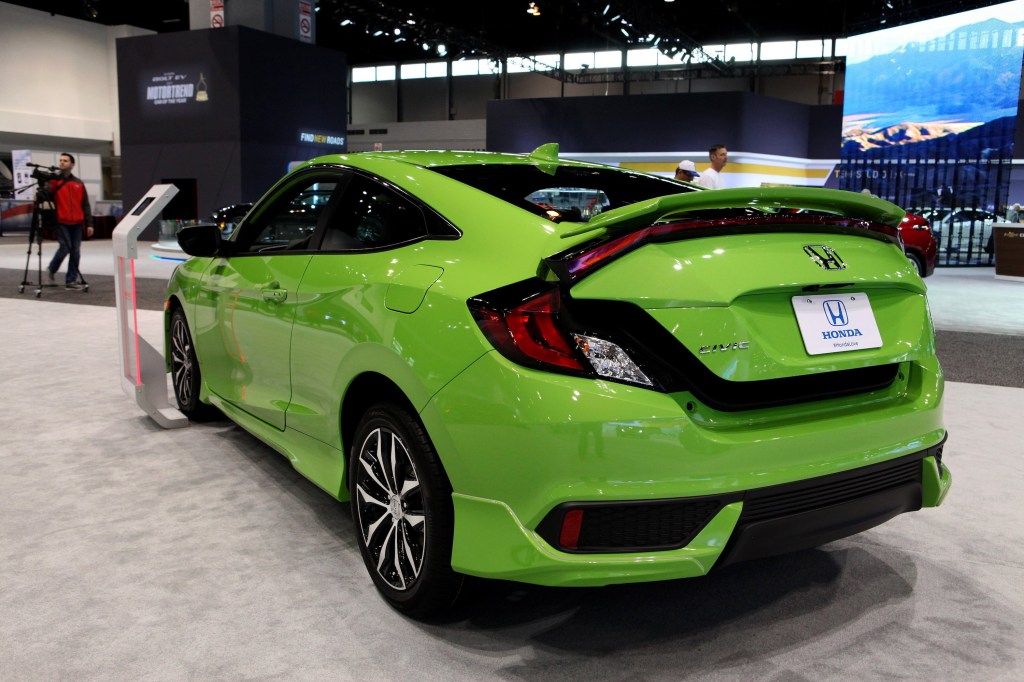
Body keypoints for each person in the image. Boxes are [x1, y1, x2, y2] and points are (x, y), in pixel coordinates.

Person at [46, 152, 94, 289]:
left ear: (72, 164)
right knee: (65, 247)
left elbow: (85, 204)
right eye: (60, 160)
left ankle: (71, 280)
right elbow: (46, 193)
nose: (62, 162)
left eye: (65, 160)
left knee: (76, 251)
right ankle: (51, 269)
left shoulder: (79, 183)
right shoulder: (55, 182)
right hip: (61, 221)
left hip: (77, 223)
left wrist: (89, 223)